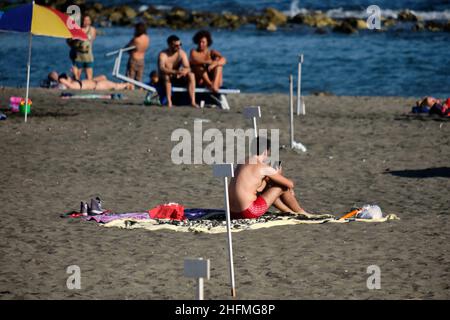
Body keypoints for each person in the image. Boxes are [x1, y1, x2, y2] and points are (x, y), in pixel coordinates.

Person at [228, 137, 312, 219]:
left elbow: (257, 187)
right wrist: (279, 174)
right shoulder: (263, 167)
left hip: (231, 212)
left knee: (268, 187)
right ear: (265, 151)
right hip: (248, 212)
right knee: (282, 186)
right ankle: (300, 211)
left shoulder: (242, 162)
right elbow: (290, 184)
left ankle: (288, 211)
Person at [158, 35, 198, 108]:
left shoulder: (181, 53)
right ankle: (169, 102)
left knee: (191, 75)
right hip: (164, 77)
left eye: (180, 44)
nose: (179, 47)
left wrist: (183, 72)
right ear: (170, 45)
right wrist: (175, 72)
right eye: (176, 45)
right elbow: (162, 68)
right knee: (167, 76)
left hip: (176, 76)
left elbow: (188, 67)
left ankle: (192, 101)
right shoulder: (163, 54)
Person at [48, 71, 131, 90]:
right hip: (96, 85)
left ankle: (127, 84)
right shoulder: (62, 80)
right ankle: (127, 84)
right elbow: (70, 86)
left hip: (93, 81)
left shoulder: (71, 82)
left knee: (103, 76)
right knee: (115, 85)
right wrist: (62, 80)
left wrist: (75, 73)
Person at [73, 15, 96, 80]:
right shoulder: (78, 29)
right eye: (85, 20)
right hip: (79, 56)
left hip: (88, 56)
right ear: (82, 21)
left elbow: (92, 40)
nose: (86, 22)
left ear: (90, 21)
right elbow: (70, 41)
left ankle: (88, 88)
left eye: (88, 20)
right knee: (77, 77)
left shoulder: (92, 30)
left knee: (89, 77)